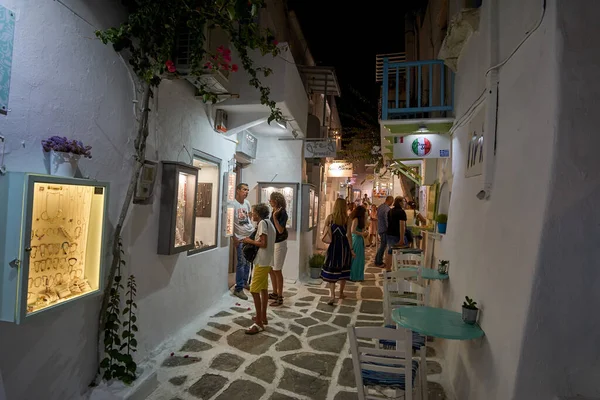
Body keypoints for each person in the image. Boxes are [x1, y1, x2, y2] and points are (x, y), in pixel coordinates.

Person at [241, 203, 275, 334]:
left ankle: (259, 323)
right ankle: (263, 316)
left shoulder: (262, 224)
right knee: (263, 289)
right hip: (266, 261)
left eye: (254, 213)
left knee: (254, 290)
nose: (252, 215)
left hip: (261, 261)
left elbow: (263, 243)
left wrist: (249, 241)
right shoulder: (269, 223)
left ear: (259, 213)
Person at [321, 198, 353, 305]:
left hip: (333, 247)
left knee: (332, 271)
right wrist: (351, 249)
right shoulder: (347, 219)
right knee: (343, 270)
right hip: (344, 247)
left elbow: (325, 230)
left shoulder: (330, 218)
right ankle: (341, 292)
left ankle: (332, 296)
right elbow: (348, 235)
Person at [232, 183, 254, 300]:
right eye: (244, 190)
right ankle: (238, 288)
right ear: (237, 190)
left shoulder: (247, 203)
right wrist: (234, 238)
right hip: (240, 237)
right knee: (241, 262)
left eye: (247, 190)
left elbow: (249, 217)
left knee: (248, 262)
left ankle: (245, 282)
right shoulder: (233, 204)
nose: (246, 192)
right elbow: (229, 223)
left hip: (249, 236)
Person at [268, 192, 288, 307]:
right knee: (271, 269)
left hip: (279, 243)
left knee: (277, 270)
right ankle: (275, 292)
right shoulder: (274, 211)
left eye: (271, 200)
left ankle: (280, 297)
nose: (269, 201)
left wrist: (275, 217)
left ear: (276, 200)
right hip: (273, 242)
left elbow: (280, 230)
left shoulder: (282, 213)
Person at [384, 196, 409, 271]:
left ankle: (388, 269)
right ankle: (403, 269)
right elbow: (402, 226)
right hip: (397, 235)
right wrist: (401, 238)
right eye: (404, 201)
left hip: (390, 234)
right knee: (403, 252)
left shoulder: (390, 211)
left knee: (390, 251)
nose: (404, 203)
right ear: (400, 202)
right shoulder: (401, 212)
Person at [349, 205, 368, 281]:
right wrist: (362, 234)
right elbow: (352, 230)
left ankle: (358, 275)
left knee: (360, 259)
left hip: (360, 239)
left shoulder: (361, 220)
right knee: (356, 258)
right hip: (356, 239)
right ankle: (354, 275)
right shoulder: (356, 219)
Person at [374, 196, 393, 268]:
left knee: (382, 245)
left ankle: (377, 260)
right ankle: (378, 261)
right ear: (390, 200)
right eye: (392, 201)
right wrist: (389, 228)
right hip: (384, 229)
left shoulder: (380, 207)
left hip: (380, 228)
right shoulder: (387, 209)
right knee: (383, 245)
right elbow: (387, 219)